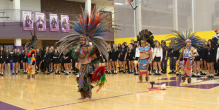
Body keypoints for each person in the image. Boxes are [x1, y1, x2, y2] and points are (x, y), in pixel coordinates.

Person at [57, 8, 111, 101]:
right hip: (81, 67)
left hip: (88, 67)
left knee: (87, 81)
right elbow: (76, 57)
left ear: (86, 40)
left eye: (83, 40)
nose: (81, 41)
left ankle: (88, 96)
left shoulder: (90, 48)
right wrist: (76, 53)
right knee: (80, 80)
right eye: (80, 40)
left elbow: (95, 57)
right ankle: (83, 94)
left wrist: (94, 54)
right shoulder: (78, 48)